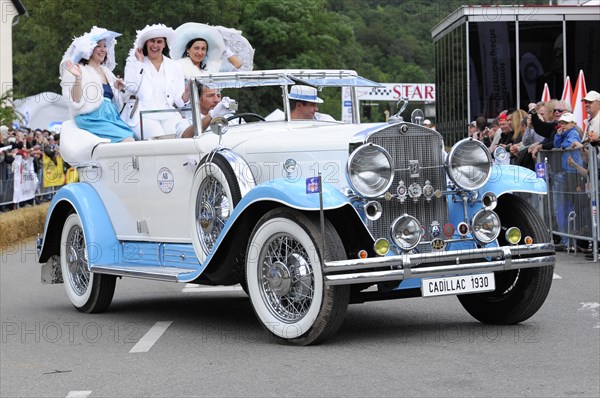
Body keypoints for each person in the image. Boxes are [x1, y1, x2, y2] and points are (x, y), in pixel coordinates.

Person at [59, 27, 134, 143]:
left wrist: (118, 91)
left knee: (132, 137)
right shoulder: (79, 69)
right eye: (98, 46)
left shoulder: (107, 73)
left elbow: (115, 104)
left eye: (104, 46)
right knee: (128, 140)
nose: (103, 49)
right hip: (92, 118)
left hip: (111, 117)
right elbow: (75, 101)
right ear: (89, 49)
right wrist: (78, 78)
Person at [123, 24, 190, 139]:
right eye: (152, 41)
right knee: (160, 140)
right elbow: (131, 88)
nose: (155, 45)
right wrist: (140, 62)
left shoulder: (174, 66)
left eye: (159, 42)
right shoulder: (133, 63)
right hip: (143, 114)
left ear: (164, 44)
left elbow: (179, 101)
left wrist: (187, 94)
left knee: (179, 138)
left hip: (168, 113)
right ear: (146, 44)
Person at [171, 22, 242, 80]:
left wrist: (223, 48)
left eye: (203, 49)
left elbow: (237, 64)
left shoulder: (212, 67)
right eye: (196, 48)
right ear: (188, 50)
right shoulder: (178, 67)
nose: (200, 52)